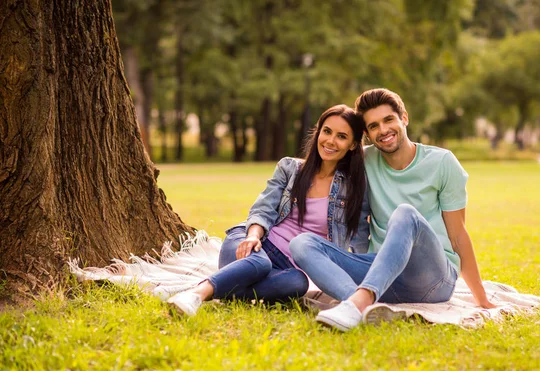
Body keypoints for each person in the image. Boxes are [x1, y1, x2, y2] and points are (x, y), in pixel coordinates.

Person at [290, 88, 496, 331]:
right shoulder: (364, 162)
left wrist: (481, 298)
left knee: (405, 214)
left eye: (389, 120)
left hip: (434, 279)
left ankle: (357, 302)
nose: (383, 130)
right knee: (302, 244)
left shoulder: (442, 162)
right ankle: (364, 307)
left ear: (404, 118)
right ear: (366, 133)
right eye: (374, 126)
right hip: (384, 278)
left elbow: (458, 235)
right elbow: (355, 220)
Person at [167, 104, 370, 316]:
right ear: (318, 132)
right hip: (252, 242)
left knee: (298, 284)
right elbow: (263, 209)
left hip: (287, 269)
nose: (330, 141)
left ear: (353, 145)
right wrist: (253, 237)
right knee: (259, 262)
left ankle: (200, 288)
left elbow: (360, 241)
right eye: (326, 131)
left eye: (341, 136)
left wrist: (367, 285)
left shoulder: (354, 189)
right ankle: (197, 294)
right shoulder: (289, 168)